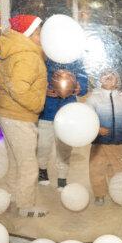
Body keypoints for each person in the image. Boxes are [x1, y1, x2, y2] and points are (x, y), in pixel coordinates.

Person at [0, 14, 48, 218]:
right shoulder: (27, 56)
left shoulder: (17, 52)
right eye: (39, 32)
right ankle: (25, 205)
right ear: (30, 34)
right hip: (19, 116)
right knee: (27, 163)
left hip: (8, 113)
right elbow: (19, 88)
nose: (43, 36)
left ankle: (10, 199)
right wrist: (37, 104)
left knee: (16, 161)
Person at [86, 69, 122, 205]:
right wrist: (96, 128)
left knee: (118, 168)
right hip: (99, 143)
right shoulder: (93, 99)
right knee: (97, 168)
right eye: (105, 76)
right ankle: (99, 194)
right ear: (100, 80)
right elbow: (87, 117)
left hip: (118, 142)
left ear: (117, 81)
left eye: (112, 76)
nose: (108, 78)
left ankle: (118, 193)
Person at [37, 58, 88, 188]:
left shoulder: (75, 59)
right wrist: (43, 90)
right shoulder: (42, 57)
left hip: (68, 112)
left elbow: (83, 80)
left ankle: (62, 178)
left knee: (64, 148)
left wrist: (79, 87)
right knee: (43, 146)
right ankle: (42, 170)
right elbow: (35, 79)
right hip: (46, 112)